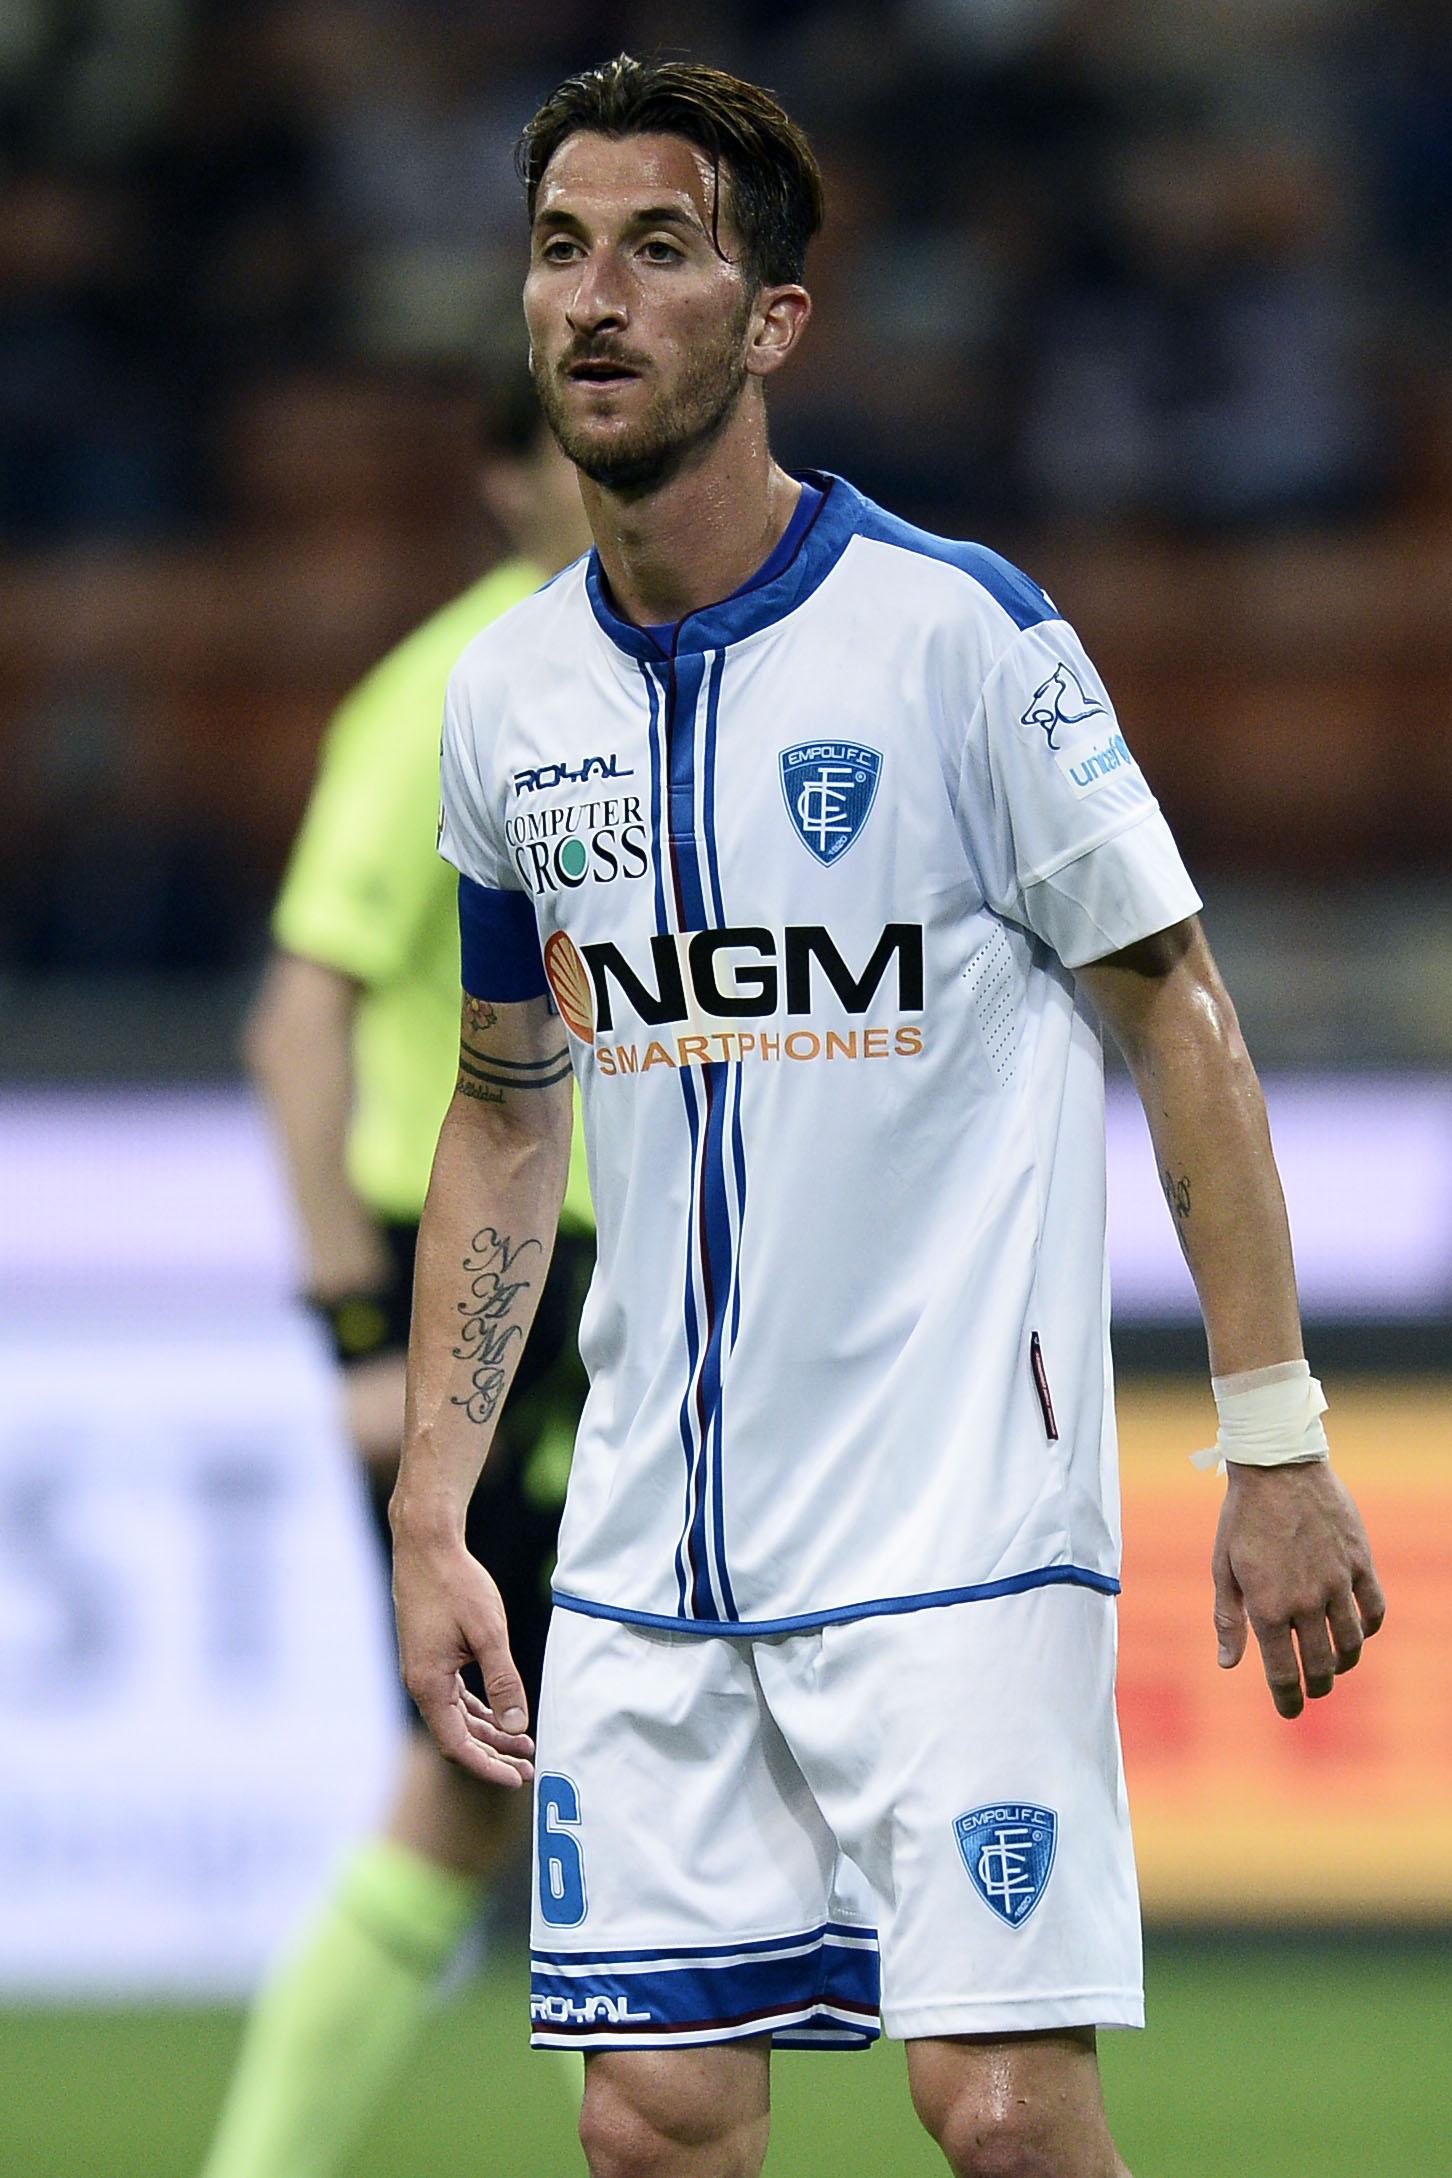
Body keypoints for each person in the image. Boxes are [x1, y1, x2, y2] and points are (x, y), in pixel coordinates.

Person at [390, 57, 1386, 2178]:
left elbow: (1180, 1015)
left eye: (659, 249)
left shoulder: (964, 638)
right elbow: (504, 1101)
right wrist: (437, 1505)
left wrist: (1277, 1435)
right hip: (652, 1542)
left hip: (961, 1525)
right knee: (654, 2124)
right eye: (560, 249)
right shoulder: (505, 699)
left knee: (1004, 2113)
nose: (593, 297)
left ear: (773, 322)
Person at [202, 384, 593, 2178]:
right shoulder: (447, 692)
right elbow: (297, 1023)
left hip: (624, 1279)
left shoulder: (663, 677)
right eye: (571, 444)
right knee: (492, 1769)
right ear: (508, 480)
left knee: (570, 1766)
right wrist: (364, 1331)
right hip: (495, 1293)